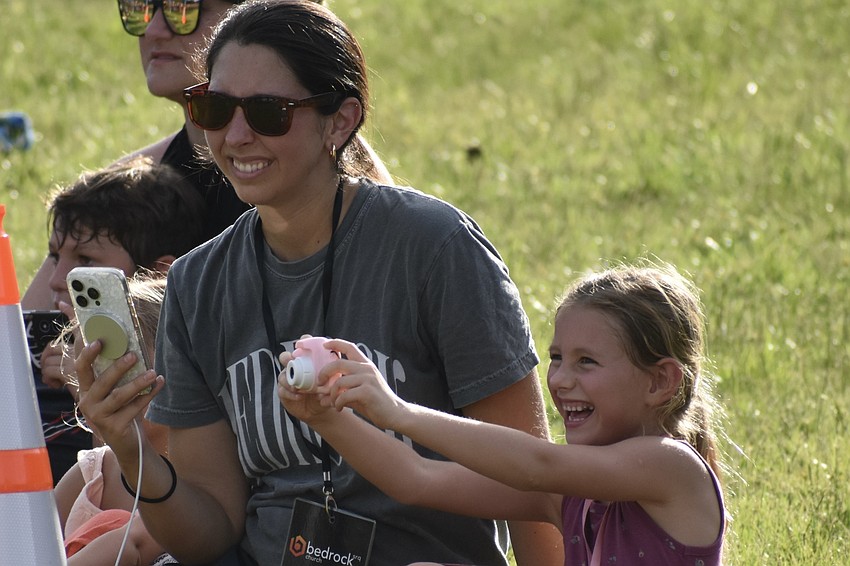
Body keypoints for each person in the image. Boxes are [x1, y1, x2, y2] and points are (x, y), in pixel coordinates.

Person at [73, 1, 563, 565]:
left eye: (267, 113)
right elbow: (207, 532)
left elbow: (534, 478)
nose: (234, 136)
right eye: (215, 107)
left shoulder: (435, 248)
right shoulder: (197, 284)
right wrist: (132, 450)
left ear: (341, 120)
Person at [280, 264, 728, 566]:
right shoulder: (570, 496)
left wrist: (399, 412)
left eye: (586, 361)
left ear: (659, 382)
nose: (561, 380)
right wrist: (325, 417)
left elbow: (538, 463)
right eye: (556, 358)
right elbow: (417, 478)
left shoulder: (673, 467)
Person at [21, 0, 390, 310]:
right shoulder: (134, 179)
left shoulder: (343, 173)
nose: (154, 30)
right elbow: (22, 336)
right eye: (141, 7)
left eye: (184, 9)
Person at [37, 157, 205, 483]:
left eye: (85, 259)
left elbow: (118, 496)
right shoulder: (40, 337)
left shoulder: (173, 370)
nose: (56, 279)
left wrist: (88, 390)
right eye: (56, 257)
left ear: (157, 275)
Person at [53, 275, 177, 566]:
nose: (103, 388)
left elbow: (133, 543)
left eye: (123, 364)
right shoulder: (91, 476)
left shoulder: (201, 477)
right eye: (92, 373)